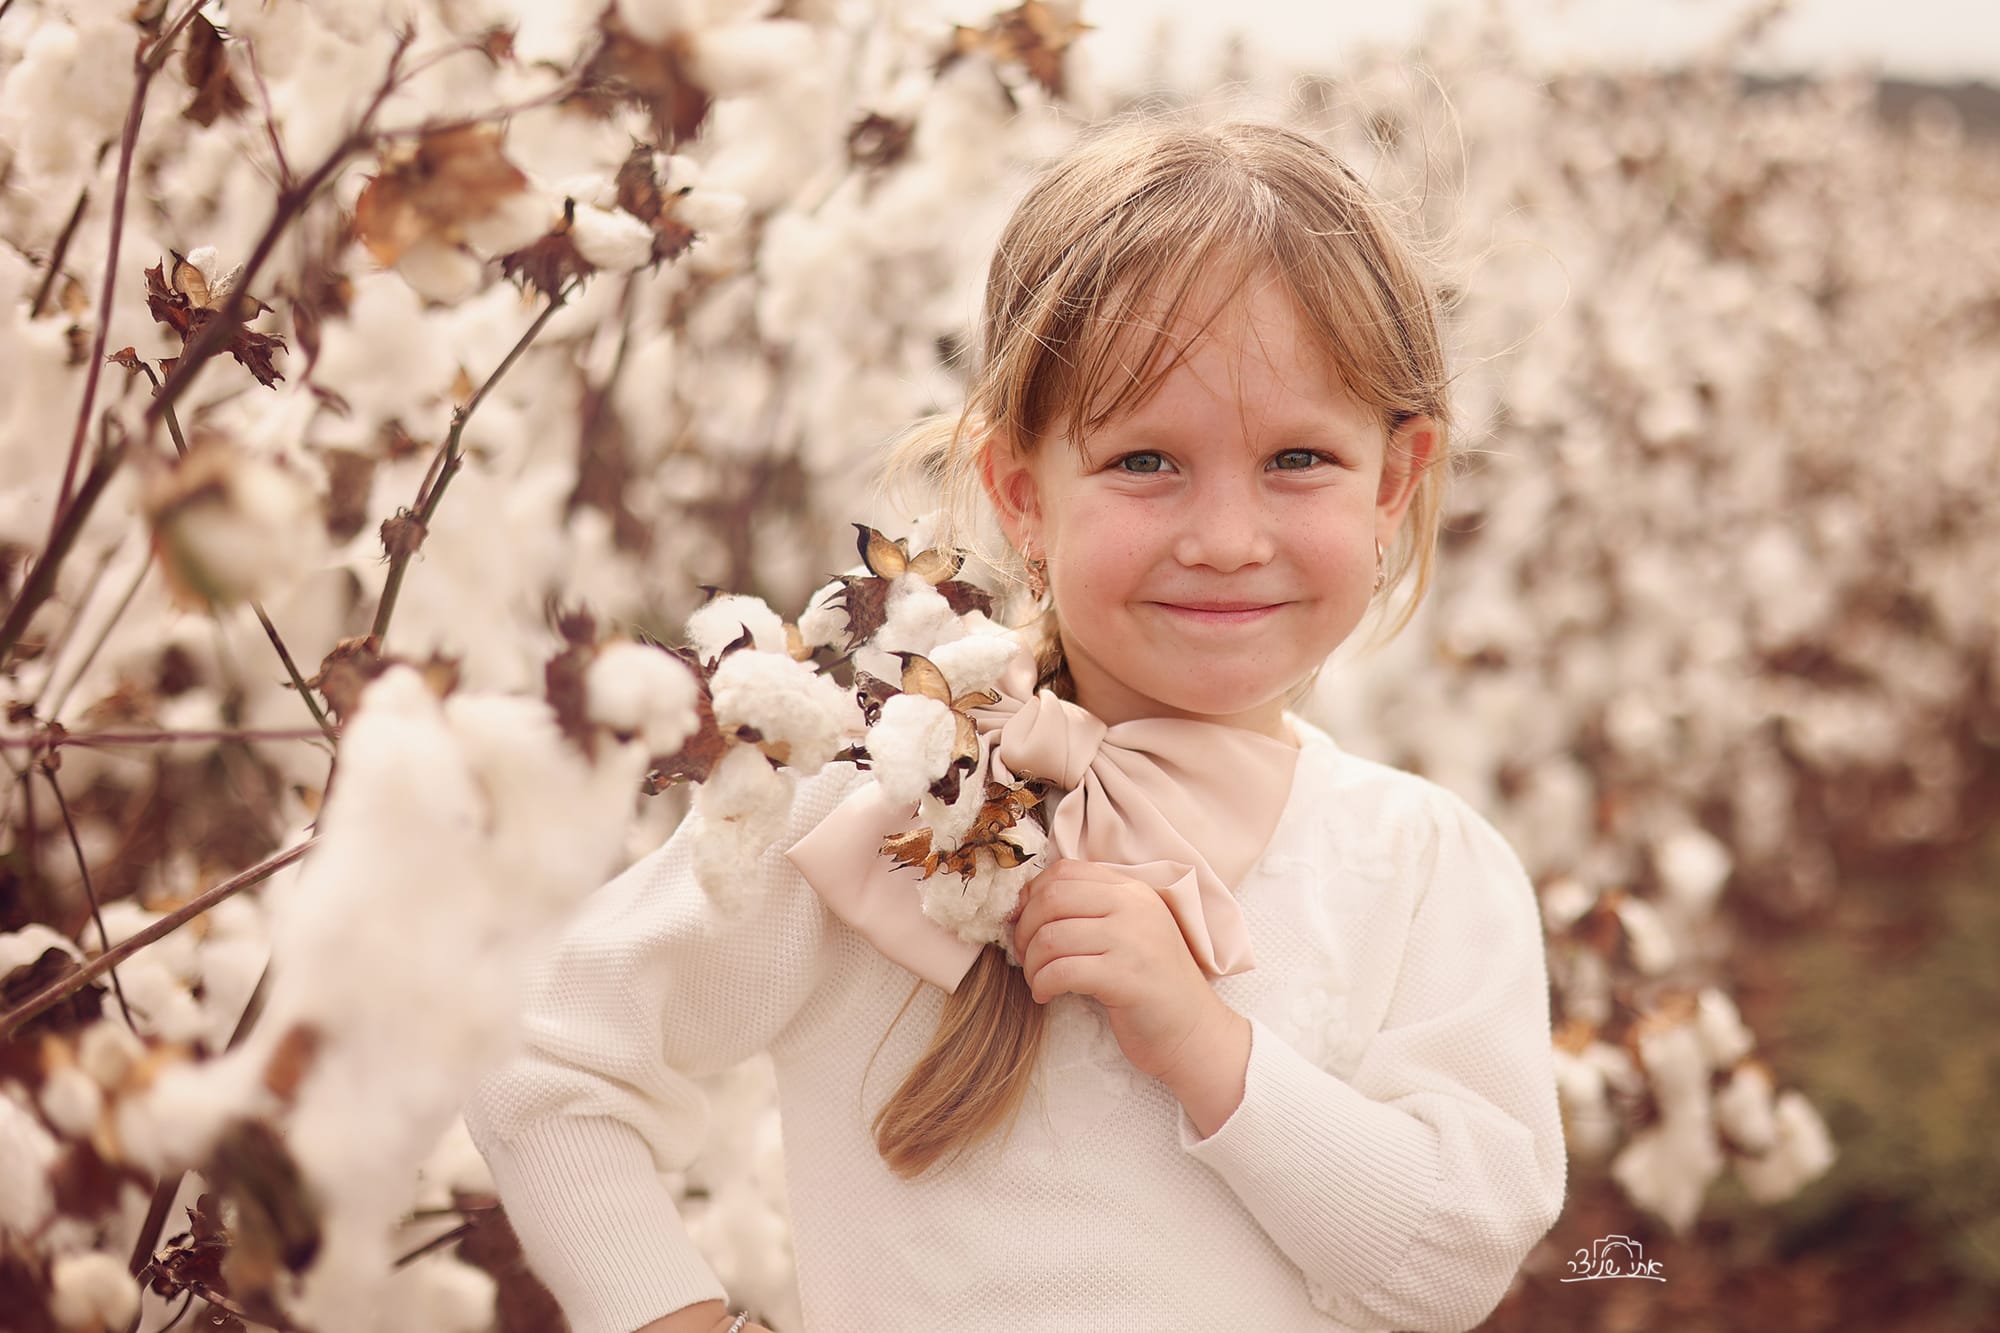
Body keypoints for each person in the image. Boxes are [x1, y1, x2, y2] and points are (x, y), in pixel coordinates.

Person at [461, 118, 1567, 1333]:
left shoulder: (1417, 865)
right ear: (1020, 493)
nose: (1225, 536)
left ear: (1394, 481)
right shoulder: (880, 808)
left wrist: (1204, 1046)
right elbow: (544, 1049)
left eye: (1297, 458)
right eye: (1146, 461)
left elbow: (1450, 1260)